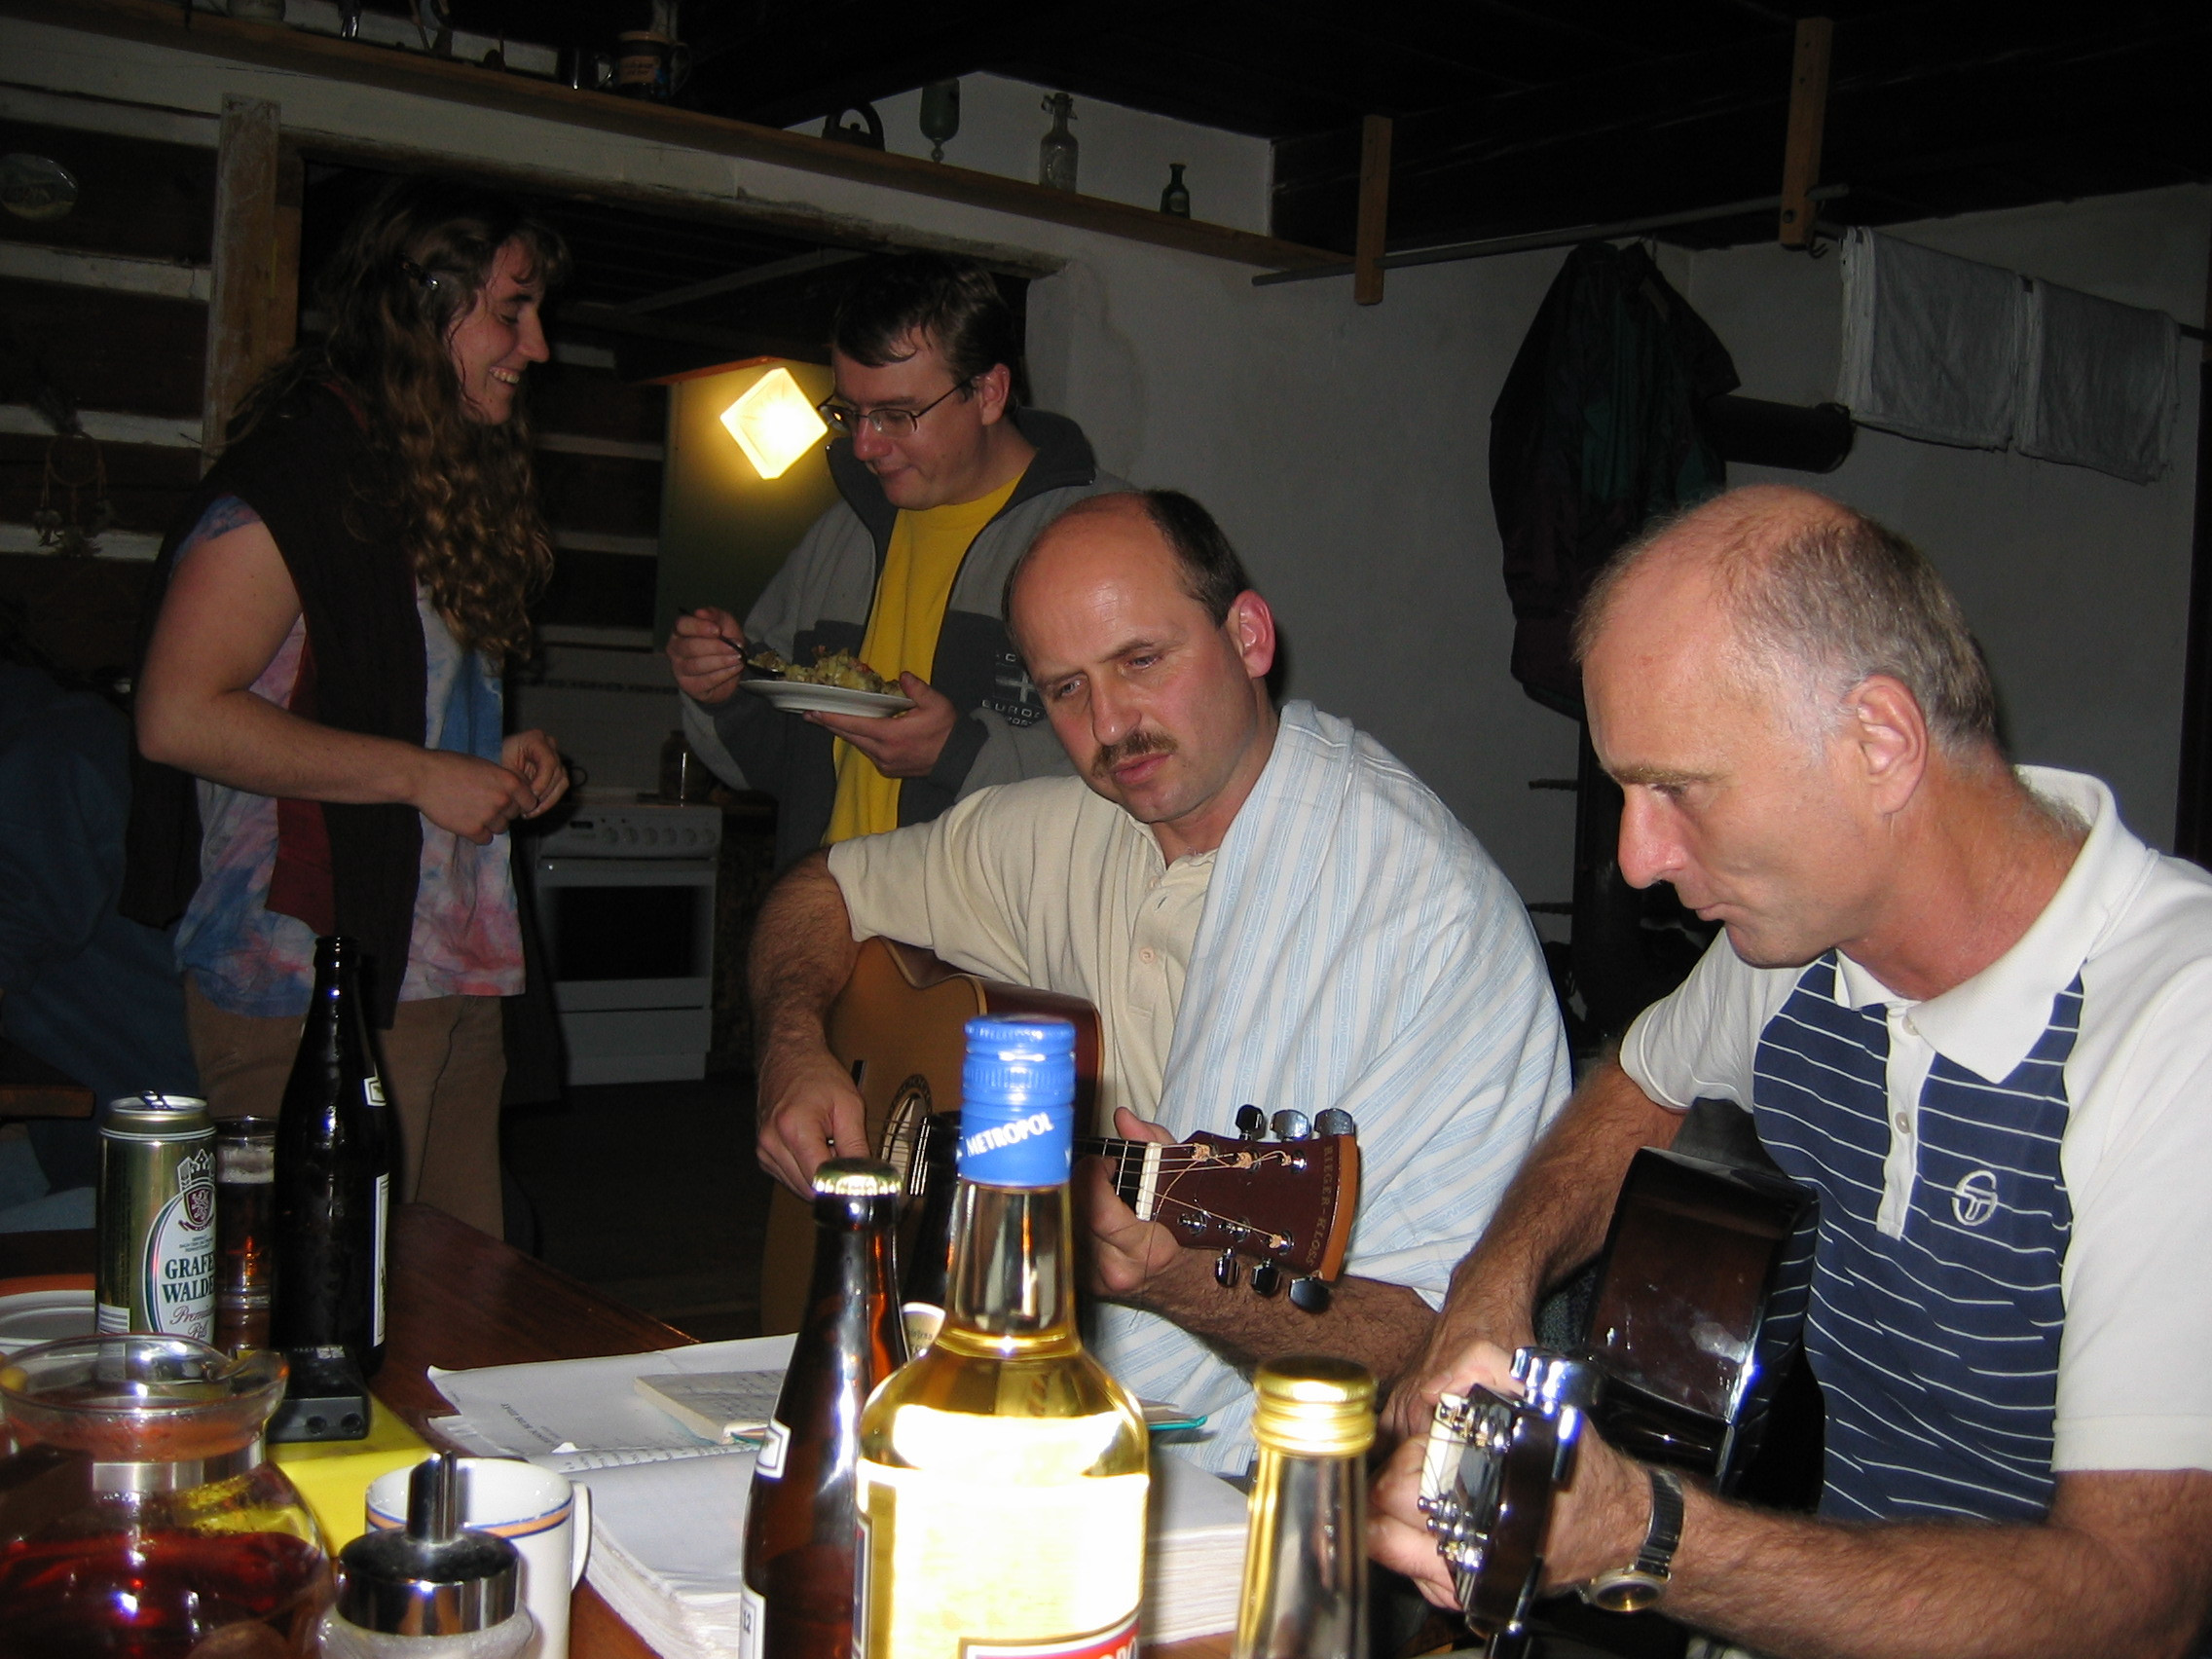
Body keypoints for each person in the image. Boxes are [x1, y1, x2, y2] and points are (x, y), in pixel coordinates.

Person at [1373, 485, 2212, 1658]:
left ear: (1878, 743)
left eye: (1677, 788)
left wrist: (1640, 1535)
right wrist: (1490, 1287)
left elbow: (2140, 1601)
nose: (1636, 859)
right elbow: (1637, 1092)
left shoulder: (2178, 1027)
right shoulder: (1800, 943)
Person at [748, 489, 1570, 1471]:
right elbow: (819, 890)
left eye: (1141, 661)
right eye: (1065, 689)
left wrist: (1175, 1279)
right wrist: (792, 1043)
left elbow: (1426, 1337)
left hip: (1268, 1476)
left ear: (1249, 637)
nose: (1110, 722)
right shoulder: (1057, 832)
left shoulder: (1427, 919)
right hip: (1008, 1403)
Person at [124, 177, 572, 1237]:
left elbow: (392, 701)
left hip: (442, 966)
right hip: (306, 981)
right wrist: (421, 773)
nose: (538, 345)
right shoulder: (291, 481)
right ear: (423, 307)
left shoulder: (421, 481)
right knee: (332, 1301)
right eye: (511, 311)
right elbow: (177, 716)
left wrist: (490, 755)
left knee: (456, 1296)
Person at [667, 253, 1127, 869]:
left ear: (988, 393)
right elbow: (773, 767)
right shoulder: (840, 536)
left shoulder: (1108, 537)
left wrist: (959, 755)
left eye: (895, 415)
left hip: (992, 931)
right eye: (850, 413)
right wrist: (724, 693)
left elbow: (1150, 764)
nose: (863, 445)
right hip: (827, 915)